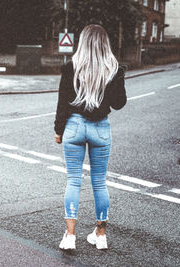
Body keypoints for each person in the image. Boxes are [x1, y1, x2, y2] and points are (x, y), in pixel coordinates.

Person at [54, 24, 127, 250]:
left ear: (82, 42)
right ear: (105, 44)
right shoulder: (114, 69)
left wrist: (59, 130)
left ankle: (70, 236)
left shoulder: (70, 68)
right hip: (100, 129)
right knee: (99, 182)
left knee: (74, 181)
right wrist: (116, 80)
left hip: (74, 126)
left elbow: (62, 104)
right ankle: (101, 235)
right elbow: (119, 103)